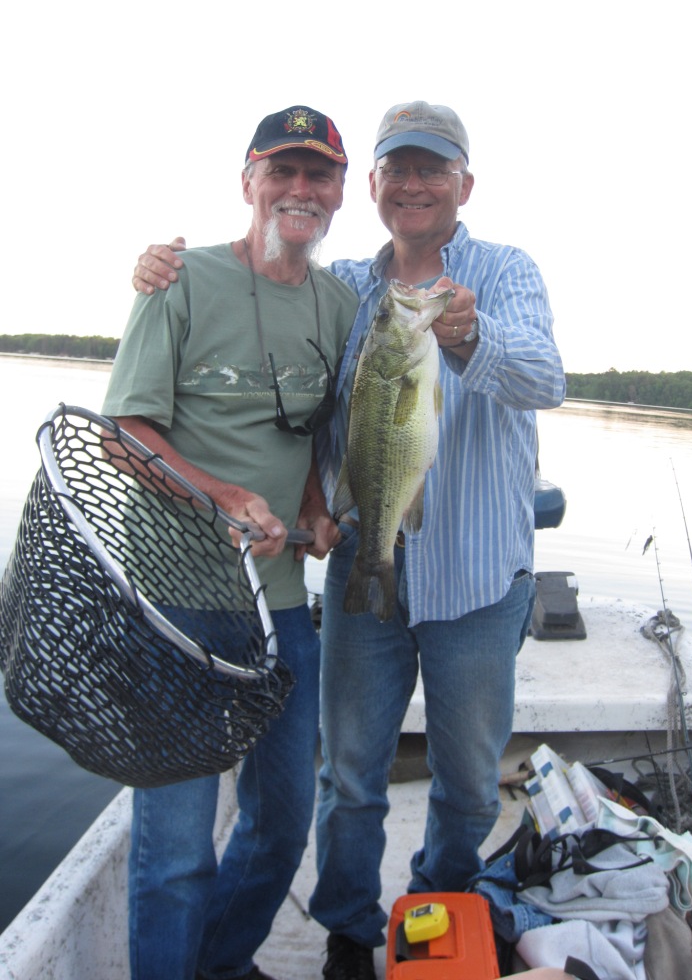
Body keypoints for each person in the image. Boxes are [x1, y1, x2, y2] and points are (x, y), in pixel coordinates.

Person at [132, 101, 566, 980]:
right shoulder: (349, 290)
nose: (413, 184)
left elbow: (545, 378)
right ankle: (347, 932)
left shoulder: (505, 271)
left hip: (479, 581)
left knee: (471, 785)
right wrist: (321, 508)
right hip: (368, 571)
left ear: (463, 185)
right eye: (396, 168)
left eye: (432, 168)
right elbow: (322, 423)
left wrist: (470, 333)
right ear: (369, 186)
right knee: (351, 776)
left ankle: (433, 908)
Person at [105, 105, 358, 980]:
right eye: (281, 171)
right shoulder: (178, 280)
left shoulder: (342, 303)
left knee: (285, 822)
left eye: (317, 174)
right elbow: (121, 434)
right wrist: (224, 497)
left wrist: (318, 510)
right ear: (247, 180)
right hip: (174, 605)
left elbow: (314, 437)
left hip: (283, 608)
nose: (299, 189)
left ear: (337, 194)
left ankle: (212, 964)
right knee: (176, 849)